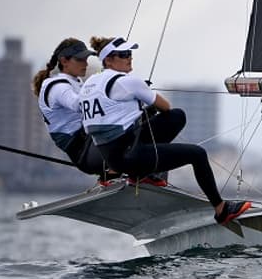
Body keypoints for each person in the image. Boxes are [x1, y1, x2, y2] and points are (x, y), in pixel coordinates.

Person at [81, 36, 251, 224]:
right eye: (123, 54)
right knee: (197, 154)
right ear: (108, 60)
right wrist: (142, 94)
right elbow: (165, 106)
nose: (129, 57)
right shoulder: (127, 82)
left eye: (130, 53)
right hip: (130, 156)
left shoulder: (89, 84)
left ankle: (145, 175)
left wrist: (137, 103)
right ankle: (221, 209)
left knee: (177, 116)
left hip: (111, 156)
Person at [32, 38, 117, 184]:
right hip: (82, 151)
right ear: (64, 61)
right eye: (80, 59)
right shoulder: (58, 87)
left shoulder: (75, 81)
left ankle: (120, 175)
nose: (85, 64)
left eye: (86, 59)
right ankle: (112, 174)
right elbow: (79, 105)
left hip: (90, 142)